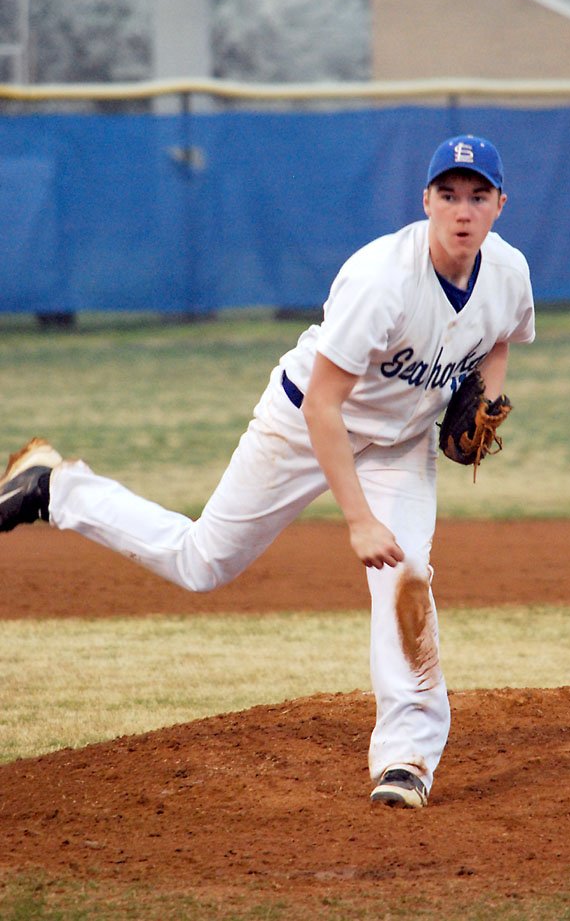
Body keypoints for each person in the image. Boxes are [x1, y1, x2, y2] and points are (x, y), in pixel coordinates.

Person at [0, 134, 535, 809]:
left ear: (499, 205)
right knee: (203, 563)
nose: (463, 210)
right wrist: (359, 520)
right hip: (304, 425)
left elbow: (498, 340)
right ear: (426, 200)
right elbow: (322, 405)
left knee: (408, 576)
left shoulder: (509, 271)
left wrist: (482, 402)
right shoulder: (382, 281)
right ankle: (58, 487)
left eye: (478, 196)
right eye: (449, 195)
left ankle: (406, 759)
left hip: (400, 443)